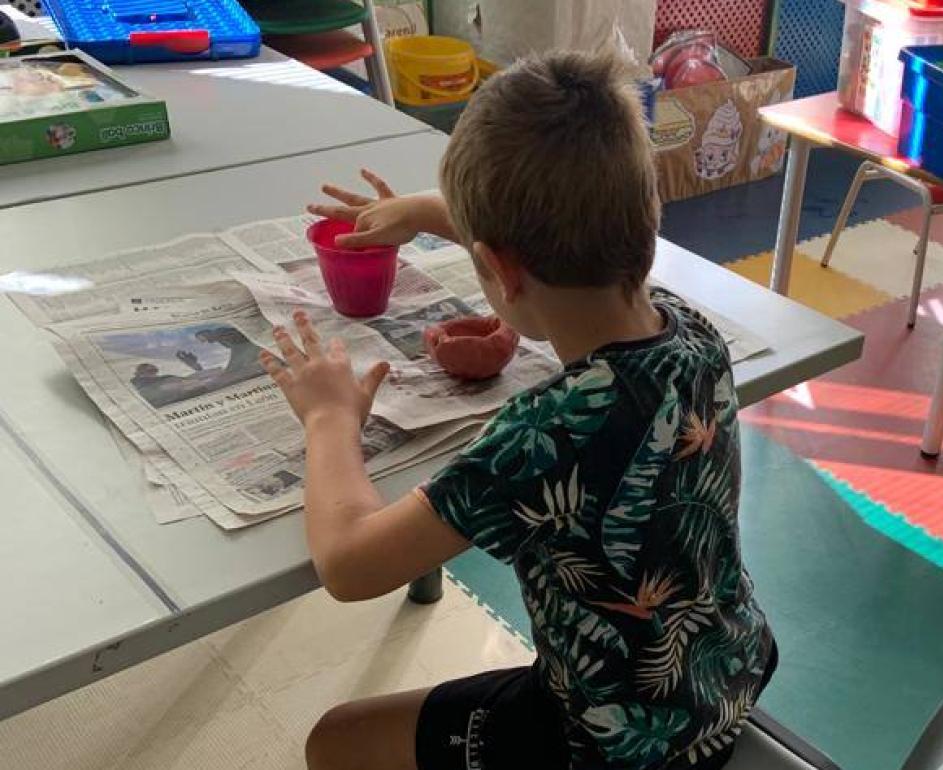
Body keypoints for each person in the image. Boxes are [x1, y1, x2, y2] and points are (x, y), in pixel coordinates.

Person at [259, 49, 776, 770]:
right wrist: (430, 215)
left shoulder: (544, 436)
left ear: (498, 270)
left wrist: (329, 419)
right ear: (647, 213)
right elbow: (554, 236)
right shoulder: (694, 335)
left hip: (605, 743)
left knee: (336, 742)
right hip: (724, 675)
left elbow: (347, 565)